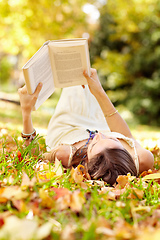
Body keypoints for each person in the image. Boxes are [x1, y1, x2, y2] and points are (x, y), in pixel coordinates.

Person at [18, 68, 154, 185]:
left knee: (75, 80)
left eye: (95, 144)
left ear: (87, 162)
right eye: (114, 140)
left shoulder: (66, 153)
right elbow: (126, 136)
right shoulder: (142, 158)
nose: (99, 135)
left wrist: (26, 112)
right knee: (87, 75)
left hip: (68, 127)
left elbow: (33, 158)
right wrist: (99, 91)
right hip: (101, 123)